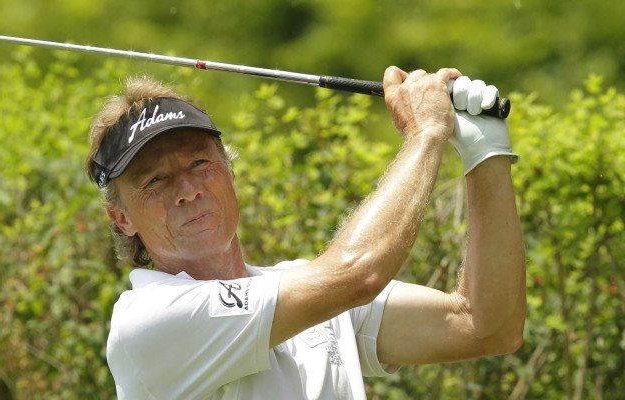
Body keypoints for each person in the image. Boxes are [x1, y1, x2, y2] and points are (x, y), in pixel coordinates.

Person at [85, 67, 526, 399]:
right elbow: (357, 274)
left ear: (229, 172)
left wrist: (485, 153)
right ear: (121, 218)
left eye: (200, 163)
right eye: (155, 181)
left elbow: (486, 327)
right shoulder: (148, 319)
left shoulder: (307, 288)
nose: (187, 190)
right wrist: (425, 133)